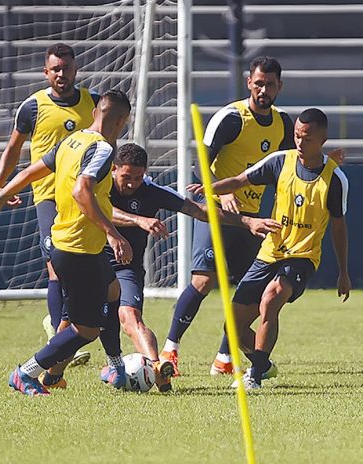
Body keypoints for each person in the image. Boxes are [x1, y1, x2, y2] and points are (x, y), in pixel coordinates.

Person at [0, 90, 132, 396]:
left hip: (70, 243)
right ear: (122, 121)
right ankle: (25, 373)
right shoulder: (101, 149)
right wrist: (113, 232)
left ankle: (115, 366)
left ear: (95, 111)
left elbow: (30, 172)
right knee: (86, 329)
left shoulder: (72, 141)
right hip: (77, 247)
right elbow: (82, 190)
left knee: (113, 290)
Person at [189, 108, 350, 390]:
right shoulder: (280, 162)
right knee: (234, 328)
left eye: (307, 138)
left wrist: (344, 272)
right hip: (270, 252)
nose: (300, 142)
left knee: (270, 299)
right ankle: (263, 364)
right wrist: (211, 187)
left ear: (322, 139)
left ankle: (254, 375)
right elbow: (241, 180)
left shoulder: (335, 180)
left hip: (302, 257)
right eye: (297, 136)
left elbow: (338, 228)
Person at [160, 56, 295, 377]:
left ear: (280, 86)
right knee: (204, 280)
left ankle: (224, 358)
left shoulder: (283, 124)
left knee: (250, 291)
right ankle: (170, 349)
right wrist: (223, 192)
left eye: (270, 84)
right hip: (215, 211)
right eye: (258, 83)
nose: (263, 90)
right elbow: (199, 166)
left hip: (251, 217)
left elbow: (287, 168)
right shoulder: (232, 118)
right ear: (249, 82)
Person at [108, 143, 281, 392]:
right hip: (92, 260)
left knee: (129, 318)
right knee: (79, 327)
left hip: (127, 267)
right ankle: (51, 373)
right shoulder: (99, 184)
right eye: (126, 177)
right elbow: (96, 208)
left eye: (138, 177)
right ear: (114, 170)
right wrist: (139, 220)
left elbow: (200, 211)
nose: (132, 183)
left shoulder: (151, 191)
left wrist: (247, 221)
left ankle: (158, 368)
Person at [0, 43, 99, 366]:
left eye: (66, 68)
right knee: (55, 266)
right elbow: (14, 147)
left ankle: (72, 331)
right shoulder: (32, 107)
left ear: (75, 69)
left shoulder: (93, 104)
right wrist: (0, 184)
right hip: (49, 198)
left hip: (84, 198)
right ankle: (59, 334)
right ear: (45, 72)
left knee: (87, 269)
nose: (61, 74)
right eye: (55, 69)